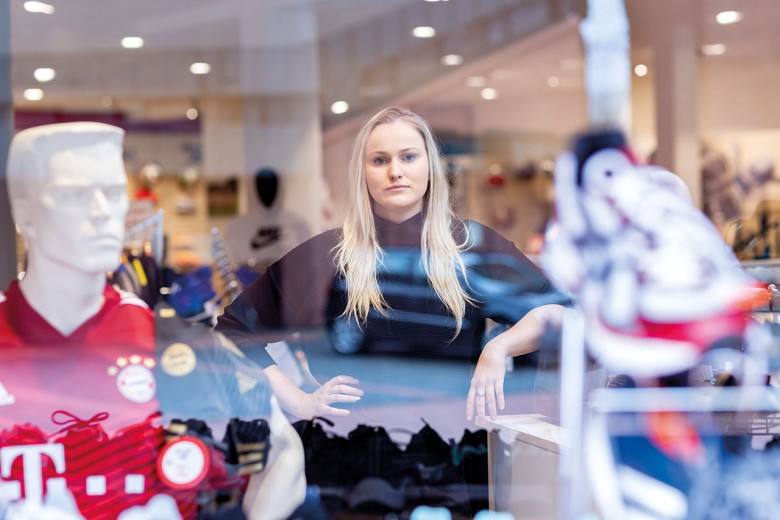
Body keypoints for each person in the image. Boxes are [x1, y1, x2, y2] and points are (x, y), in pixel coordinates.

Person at [0, 122, 305, 519]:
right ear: (25, 213)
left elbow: (284, 455)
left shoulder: (177, 345)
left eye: (113, 193)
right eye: (75, 195)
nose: (102, 212)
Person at [215, 106, 569, 427]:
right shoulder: (326, 254)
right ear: (363, 172)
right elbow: (234, 328)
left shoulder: (472, 244)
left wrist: (500, 347)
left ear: (430, 166)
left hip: (455, 451)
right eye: (380, 160)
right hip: (349, 450)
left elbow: (564, 311)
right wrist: (299, 401)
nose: (395, 172)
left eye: (409, 157)